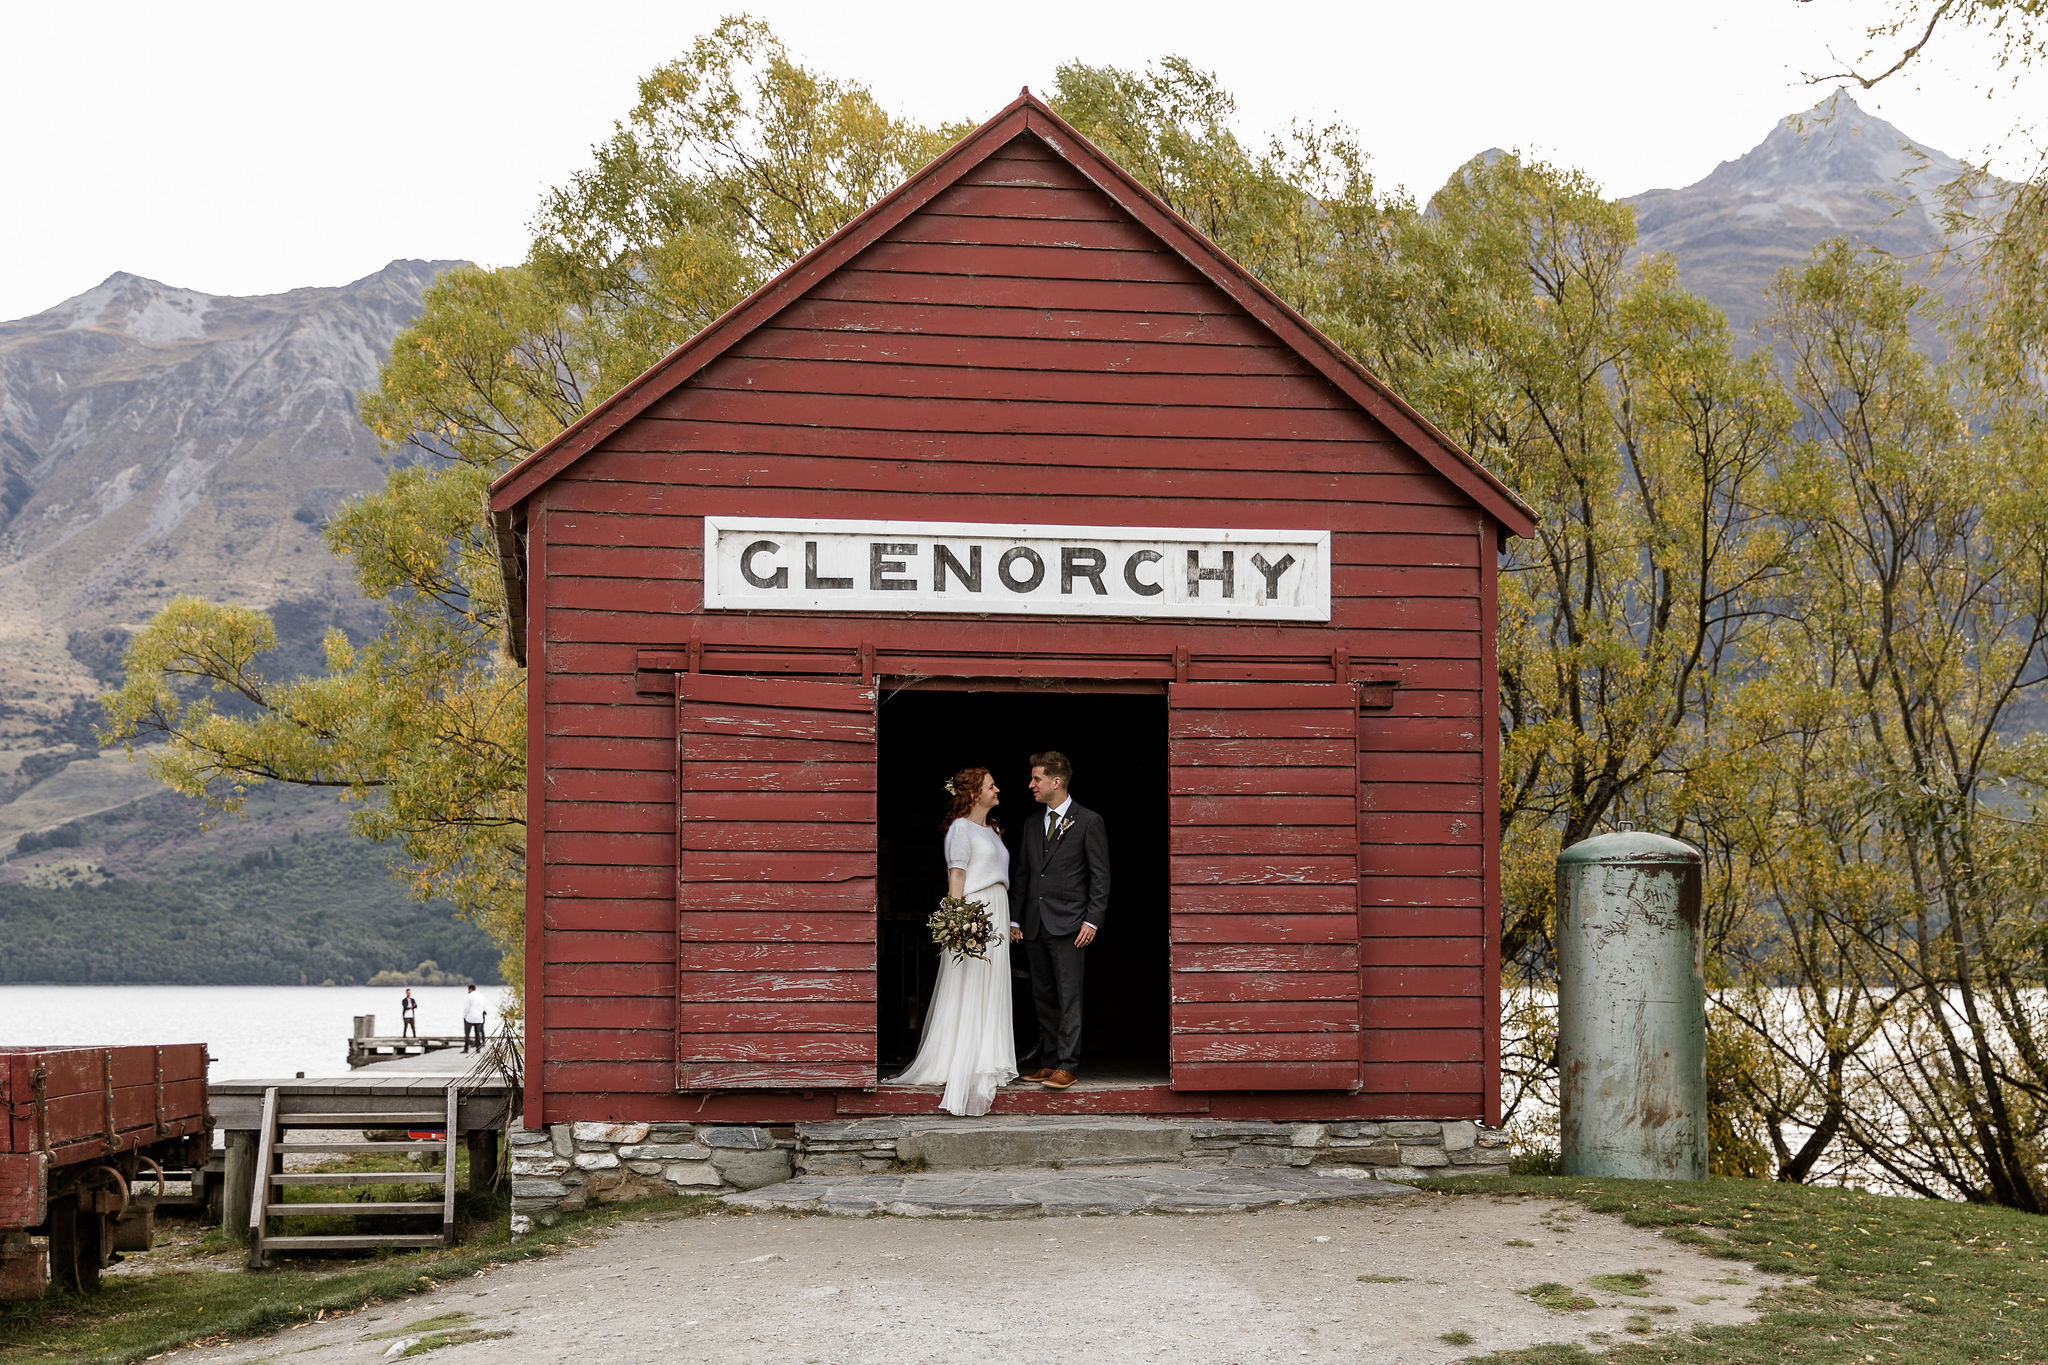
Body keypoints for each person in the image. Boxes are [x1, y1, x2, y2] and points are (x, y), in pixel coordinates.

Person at [888, 767, 1019, 1115]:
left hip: (998, 910)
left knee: (992, 986)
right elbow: (957, 876)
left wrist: (1010, 920)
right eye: (992, 785)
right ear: (975, 794)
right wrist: (959, 922)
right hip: (976, 911)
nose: (998, 789)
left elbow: (1000, 877)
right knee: (971, 985)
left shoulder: (992, 829)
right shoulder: (960, 829)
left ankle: (987, 1055)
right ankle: (961, 1059)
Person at [1009, 750, 1109, 1090]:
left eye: (1036, 779)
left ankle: (1068, 1064)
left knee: (1069, 996)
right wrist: (1015, 920)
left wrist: (1092, 920)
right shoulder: (1031, 822)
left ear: (1057, 781)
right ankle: (1049, 1062)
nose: (1031, 785)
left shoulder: (1088, 821)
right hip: (1035, 924)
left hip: (1071, 925)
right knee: (1043, 995)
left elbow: (1100, 876)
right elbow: (1023, 874)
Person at [462, 985, 488, 1052]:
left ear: (470, 989)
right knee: (477, 1033)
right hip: (479, 1017)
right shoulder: (481, 996)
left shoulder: (469, 996)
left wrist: (464, 1016)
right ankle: (478, 1049)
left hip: (470, 1017)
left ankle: (466, 1049)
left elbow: (467, 1008)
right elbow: (484, 1007)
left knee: (467, 1033)